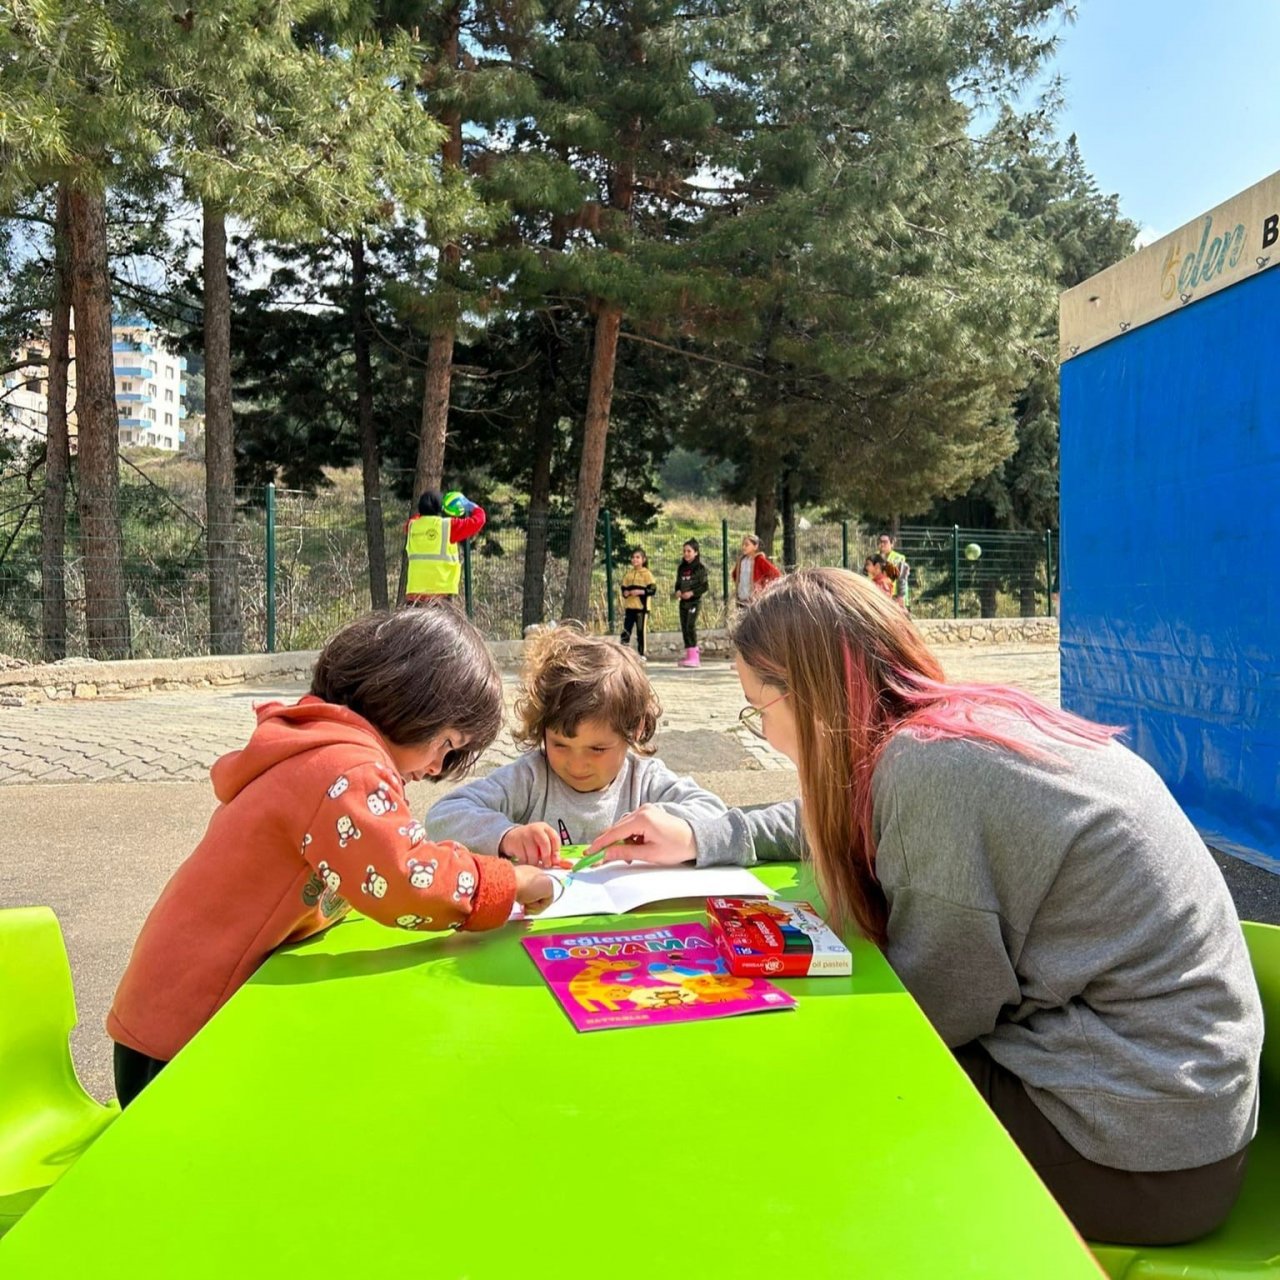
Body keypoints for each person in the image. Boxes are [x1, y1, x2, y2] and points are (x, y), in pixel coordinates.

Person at [586, 567, 1262, 1247]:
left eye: (758, 710)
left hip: (1139, 1154)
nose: (767, 737)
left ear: (813, 694)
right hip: (1157, 1102)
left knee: (795, 1099)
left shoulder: (934, 774)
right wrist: (705, 833)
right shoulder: (943, 735)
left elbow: (927, 1016)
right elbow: (845, 812)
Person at [107, 608, 554, 1107]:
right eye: (446, 746)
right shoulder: (347, 768)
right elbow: (404, 876)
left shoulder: (317, 743)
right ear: (411, 699)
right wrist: (507, 883)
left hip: (167, 1017)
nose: (435, 769)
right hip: (187, 1040)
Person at [427, 626, 755, 868]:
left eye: (597, 749)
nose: (577, 764)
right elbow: (443, 816)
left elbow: (714, 812)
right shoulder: (531, 777)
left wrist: (664, 821)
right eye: (560, 744)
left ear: (634, 731)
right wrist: (506, 835)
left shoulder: (644, 779)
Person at [404, 488, 487, 605]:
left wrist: (424, 510)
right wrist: (472, 507)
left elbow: (416, 518)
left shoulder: (411, 526)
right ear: (440, 508)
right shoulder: (448, 526)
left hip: (414, 593)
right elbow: (479, 520)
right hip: (439, 594)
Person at [673, 538, 710, 668]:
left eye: (689, 551)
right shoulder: (681, 568)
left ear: (696, 552)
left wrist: (692, 593)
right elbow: (677, 584)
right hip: (683, 602)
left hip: (694, 602)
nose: (686, 553)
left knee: (690, 625)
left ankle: (695, 657)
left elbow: (704, 586)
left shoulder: (700, 568)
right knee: (684, 627)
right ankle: (689, 655)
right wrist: (677, 591)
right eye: (684, 551)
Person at [618, 547, 657, 661]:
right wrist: (625, 592)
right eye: (633, 557)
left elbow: (652, 590)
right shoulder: (629, 574)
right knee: (626, 629)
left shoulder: (647, 574)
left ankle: (642, 653)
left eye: (637, 557)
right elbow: (623, 587)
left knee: (641, 631)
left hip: (642, 609)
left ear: (643, 559)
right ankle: (623, 651)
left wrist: (641, 591)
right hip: (630, 607)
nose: (635, 560)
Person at [730, 533, 781, 608]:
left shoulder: (759, 560)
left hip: (754, 601)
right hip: (741, 600)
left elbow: (776, 574)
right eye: (743, 545)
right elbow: (735, 575)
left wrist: (764, 587)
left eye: (747, 545)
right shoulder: (741, 561)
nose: (743, 547)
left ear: (755, 546)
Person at [877, 532, 910, 610]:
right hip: (878, 597)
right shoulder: (873, 558)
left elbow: (902, 579)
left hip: (895, 598)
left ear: (892, 544)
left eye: (885, 542)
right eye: (880, 542)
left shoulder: (898, 558)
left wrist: (901, 597)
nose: (882, 544)